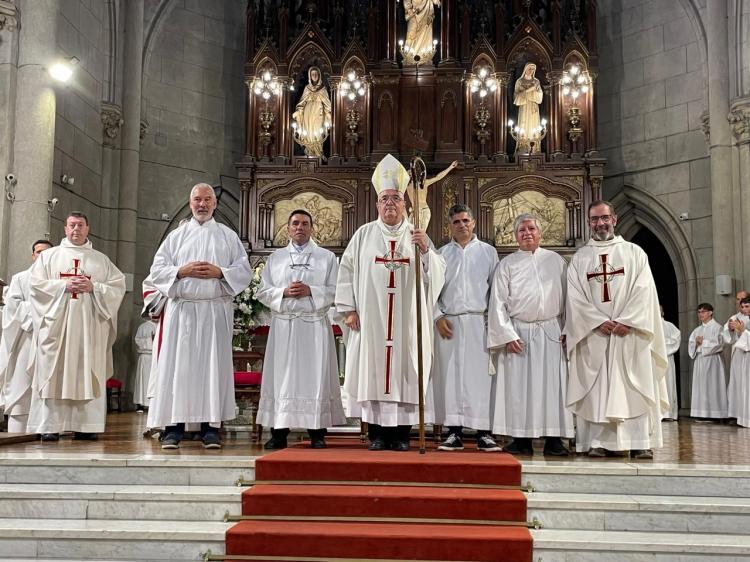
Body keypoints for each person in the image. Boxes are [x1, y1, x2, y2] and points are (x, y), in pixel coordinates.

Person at [336, 153, 446, 451]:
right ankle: (377, 434)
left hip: (406, 319)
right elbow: (346, 271)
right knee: (375, 369)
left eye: (395, 199)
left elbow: (435, 275)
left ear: (405, 204)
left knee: (406, 368)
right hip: (372, 317)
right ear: (377, 204)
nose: (390, 204)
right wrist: (348, 309)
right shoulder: (363, 235)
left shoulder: (417, 235)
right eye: (385, 199)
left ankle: (401, 434)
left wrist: (427, 253)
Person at [147, 183, 252, 449]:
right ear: (190, 202)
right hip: (182, 311)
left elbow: (243, 271)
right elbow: (157, 269)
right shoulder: (176, 237)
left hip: (214, 310)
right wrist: (181, 272)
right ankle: (173, 428)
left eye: (207, 199)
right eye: (197, 200)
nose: (202, 204)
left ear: (215, 203)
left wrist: (220, 273)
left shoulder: (228, 237)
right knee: (177, 369)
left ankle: (210, 428)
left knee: (212, 369)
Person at [564, 200, 668, 459]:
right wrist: (597, 321)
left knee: (634, 382)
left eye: (604, 218)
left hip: (629, 333)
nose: (600, 223)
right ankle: (598, 441)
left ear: (615, 219)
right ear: (588, 223)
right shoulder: (580, 259)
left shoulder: (634, 253)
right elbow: (574, 299)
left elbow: (645, 291)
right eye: (595, 219)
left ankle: (640, 441)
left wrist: (628, 320)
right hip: (595, 334)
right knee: (597, 387)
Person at [26, 213, 126, 441]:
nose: (76, 230)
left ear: (88, 229)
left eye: (80, 225)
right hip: (57, 329)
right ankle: (50, 425)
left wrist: (94, 287)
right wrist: (63, 285)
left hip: (88, 330)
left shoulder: (101, 260)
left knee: (86, 370)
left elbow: (117, 288)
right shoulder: (49, 257)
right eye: (72, 225)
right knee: (53, 372)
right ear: (65, 228)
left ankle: (86, 425)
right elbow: (35, 286)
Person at [256, 210, 346, 449]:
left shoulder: (327, 258)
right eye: (295, 223)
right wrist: (282, 292)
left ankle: (317, 432)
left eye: (305, 224)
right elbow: (262, 291)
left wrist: (311, 291)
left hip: (313, 325)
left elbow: (337, 290)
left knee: (314, 377)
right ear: (288, 228)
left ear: (312, 229)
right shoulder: (275, 258)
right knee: (281, 379)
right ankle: (278, 433)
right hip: (284, 326)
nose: (300, 227)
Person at [489, 213, 573, 456]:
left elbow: (569, 299)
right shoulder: (507, 264)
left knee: (553, 387)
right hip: (519, 333)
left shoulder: (556, 261)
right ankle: (520, 438)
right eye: (522, 230)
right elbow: (497, 302)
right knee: (519, 388)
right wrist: (506, 334)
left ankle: (554, 438)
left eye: (531, 229)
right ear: (515, 236)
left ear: (540, 232)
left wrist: (568, 328)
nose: (527, 233)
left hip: (551, 331)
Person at [427, 204, 499, 452]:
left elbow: (496, 292)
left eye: (465, 220)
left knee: (480, 378)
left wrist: (493, 322)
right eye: (456, 222)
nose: (462, 225)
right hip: (450, 323)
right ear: (450, 226)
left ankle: (484, 433)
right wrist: (437, 317)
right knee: (451, 378)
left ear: (474, 222)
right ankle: (453, 431)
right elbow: (430, 289)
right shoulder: (442, 254)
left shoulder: (488, 253)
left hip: (479, 321)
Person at [0, 239, 53, 432]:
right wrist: (37, 314)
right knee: (21, 382)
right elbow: (13, 306)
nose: (42, 255)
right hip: (26, 337)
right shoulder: (21, 278)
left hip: (50, 339)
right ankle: (18, 429)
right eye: (39, 252)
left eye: (47, 252)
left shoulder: (57, 281)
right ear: (33, 255)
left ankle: (46, 429)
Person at [688, 303, 727, 421]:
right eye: (699, 312)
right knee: (701, 387)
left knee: (713, 385)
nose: (701, 314)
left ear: (710, 312)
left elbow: (719, 344)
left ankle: (716, 414)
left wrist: (702, 343)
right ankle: (702, 413)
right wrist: (696, 344)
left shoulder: (718, 328)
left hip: (713, 361)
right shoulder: (697, 330)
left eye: (703, 312)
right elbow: (691, 345)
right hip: (700, 361)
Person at [404, 160, 458, 230]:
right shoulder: (407, 186)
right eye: (410, 172)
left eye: (412, 172)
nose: (411, 173)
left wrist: (450, 167)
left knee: (420, 234)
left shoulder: (424, 183)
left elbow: (438, 177)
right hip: (414, 212)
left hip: (424, 211)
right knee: (410, 232)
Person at [292, 66, 332, 157]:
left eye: (316, 74)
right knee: (308, 132)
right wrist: (298, 111)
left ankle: (317, 152)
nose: (314, 76)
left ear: (319, 75)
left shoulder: (323, 89)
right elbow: (301, 103)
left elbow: (328, 105)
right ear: (310, 76)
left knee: (318, 133)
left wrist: (329, 115)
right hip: (307, 113)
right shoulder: (307, 89)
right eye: (312, 74)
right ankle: (309, 151)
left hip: (318, 114)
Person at [724, 296, 750, 427]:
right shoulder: (735, 318)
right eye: (742, 306)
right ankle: (740, 415)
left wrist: (742, 330)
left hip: (747, 354)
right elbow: (728, 337)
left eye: (747, 306)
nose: (744, 309)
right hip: (741, 355)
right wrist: (731, 329)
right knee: (741, 386)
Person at [513, 63, 544, 153]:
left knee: (534, 125)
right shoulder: (519, 81)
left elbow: (540, 95)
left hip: (533, 107)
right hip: (524, 106)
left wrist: (528, 93)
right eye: (529, 68)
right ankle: (523, 146)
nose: (531, 71)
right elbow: (516, 96)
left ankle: (534, 148)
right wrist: (530, 90)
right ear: (525, 69)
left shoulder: (536, 81)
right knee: (523, 123)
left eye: (533, 69)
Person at [661, 307, 681, 421]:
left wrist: (660, 346)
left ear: (662, 312)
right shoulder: (647, 324)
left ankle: (668, 413)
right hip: (652, 360)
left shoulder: (669, 326)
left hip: (667, 359)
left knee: (668, 384)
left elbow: (676, 340)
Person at [133, 319, 156, 413]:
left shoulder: (161, 325)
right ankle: (140, 404)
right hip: (145, 356)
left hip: (156, 357)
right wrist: (150, 340)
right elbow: (137, 340)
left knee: (153, 381)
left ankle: (153, 404)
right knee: (142, 381)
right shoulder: (143, 326)